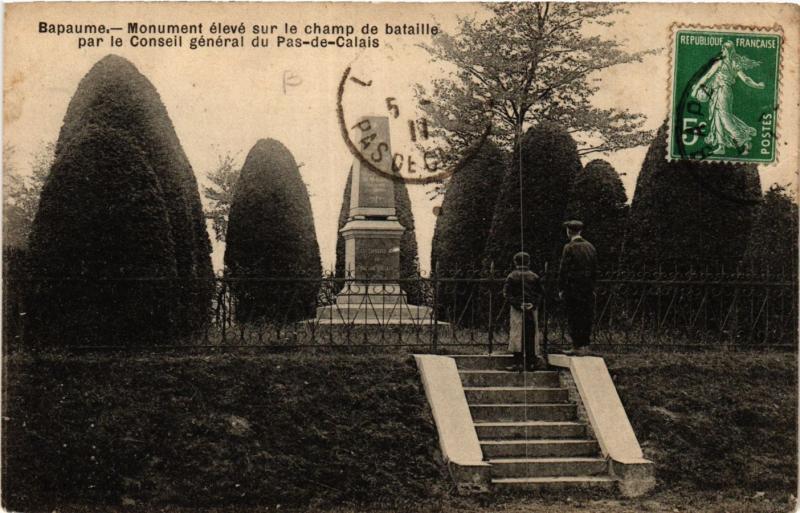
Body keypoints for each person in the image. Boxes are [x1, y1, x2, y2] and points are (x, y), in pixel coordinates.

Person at [691, 40, 765, 156]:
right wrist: (757, 85)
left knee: (725, 118)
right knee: (717, 118)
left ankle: (743, 140)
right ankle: (721, 146)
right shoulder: (735, 63)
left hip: (722, 91)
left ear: (724, 49)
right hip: (722, 91)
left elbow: (708, 75)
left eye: (723, 49)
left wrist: (695, 90)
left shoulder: (720, 62)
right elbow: (745, 79)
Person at [558, 220, 597, 356]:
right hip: (587, 288)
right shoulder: (590, 247)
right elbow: (595, 269)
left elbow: (564, 270)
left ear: (569, 231)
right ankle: (585, 346)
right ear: (580, 231)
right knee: (586, 316)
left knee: (574, 316)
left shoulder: (569, 247)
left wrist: (561, 288)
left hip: (573, 288)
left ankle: (576, 346)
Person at [502, 251, 545, 371]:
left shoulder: (512, 276)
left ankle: (518, 362)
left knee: (517, 334)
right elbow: (540, 293)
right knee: (531, 334)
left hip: (518, 309)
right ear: (529, 262)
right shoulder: (534, 276)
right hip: (532, 309)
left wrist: (518, 304)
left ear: (515, 262)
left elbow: (506, 293)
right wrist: (533, 304)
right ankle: (531, 362)